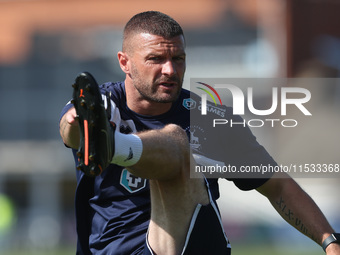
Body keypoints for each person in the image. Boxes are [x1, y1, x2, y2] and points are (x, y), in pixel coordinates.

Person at [59, 11, 340, 255]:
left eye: (178, 58)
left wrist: (330, 242)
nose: (169, 70)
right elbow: (71, 132)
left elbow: (276, 185)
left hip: (193, 246)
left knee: (180, 144)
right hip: (114, 249)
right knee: (175, 143)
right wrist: (78, 127)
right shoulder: (104, 106)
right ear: (125, 62)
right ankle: (109, 146)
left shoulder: (210, 119)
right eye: (155, 59)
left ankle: (117, 148)